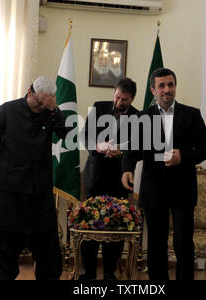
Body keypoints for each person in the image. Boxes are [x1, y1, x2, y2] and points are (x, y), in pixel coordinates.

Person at [122, 68, 206, 280]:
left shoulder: (192, 115)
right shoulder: (141, 117)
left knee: (183, 242)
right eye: (161, 86)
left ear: (175, 87)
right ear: (153, 90)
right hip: (153, 190)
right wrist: (126, 169)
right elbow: (132, 150)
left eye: (170, 84)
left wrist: (183, 156)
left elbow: (205, 149)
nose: (167, 90)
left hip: (183, 189)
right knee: (155, 243)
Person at [0, 77, 69, 280]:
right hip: (8, 188)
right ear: (29, 92)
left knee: (47, 244)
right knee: (5, 244)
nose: (40, 107)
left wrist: (54, 110)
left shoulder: (49, 113)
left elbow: (65, 133)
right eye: (38, 102)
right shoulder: (6, 111)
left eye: (45, 104)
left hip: (39, 190)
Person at [80, 78, 139, 280]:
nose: (119, 102)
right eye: (117, 97)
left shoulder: (138, 117)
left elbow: (138, 147)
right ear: (113, 93)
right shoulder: (98, 107)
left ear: (132, 99)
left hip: (119, 180)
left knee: (115, 228)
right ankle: (88, 273)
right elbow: (84, 135)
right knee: (89, 226)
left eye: (124, 100)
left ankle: (109, 273)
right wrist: (97, 146)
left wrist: (121, 153)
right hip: (95, 177)